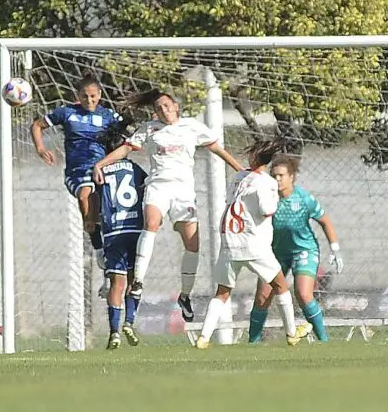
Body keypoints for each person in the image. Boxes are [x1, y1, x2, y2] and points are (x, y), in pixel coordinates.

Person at [94, 89, 243, 322]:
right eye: (159, 108)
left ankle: (185, 295)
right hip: (158, 187)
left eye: (166, 105)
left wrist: (241, 171)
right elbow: (125, 148)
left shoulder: (192, 127)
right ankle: (139, 282)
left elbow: (217, 149)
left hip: (183, 192)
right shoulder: (150, 129)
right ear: (155, 112)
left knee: (193, 246)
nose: (163, 110)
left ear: (175, 106)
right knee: (151, 224)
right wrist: (100, 164)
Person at [195, 139, 312, 349]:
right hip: (253, 243)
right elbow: (266, 210)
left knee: (222, 292)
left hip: (229, 242)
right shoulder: (267, 183)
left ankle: (203, 338)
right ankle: (292, 334)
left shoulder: (238, 177)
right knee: (281, 285)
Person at [247, 154, 343, 343]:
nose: (277, 179)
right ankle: (253, 343)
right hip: (276, 253)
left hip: (304, 250)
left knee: (303, 294)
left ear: (292, 177)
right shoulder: (268, 198)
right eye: (274, 175)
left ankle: (324, 340)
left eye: (282, 175)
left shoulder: (304, 198)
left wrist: (335, 249)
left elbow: (324, 221)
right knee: (262, 296)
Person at [30, 72, 120, 267]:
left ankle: (102, 247)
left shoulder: (108, 115)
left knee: (103, 214)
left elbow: (129, 133)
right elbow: (37, 125)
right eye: (85, 96)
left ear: (100, 95)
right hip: (76, 170)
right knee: (85, 195)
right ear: (77, 96)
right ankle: (98, 248)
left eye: (93, 96)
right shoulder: (67, 112)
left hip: (103, 168)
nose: (89, 100)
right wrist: (40, 148)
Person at [95, 118, 147, 349]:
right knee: (135, 279)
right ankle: (130, 321)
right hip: (137, 230)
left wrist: (97, 239)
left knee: (116, 282)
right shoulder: (137, 170)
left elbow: (94, 204)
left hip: (114, 231)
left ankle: (114, 332)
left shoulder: (100, 170)